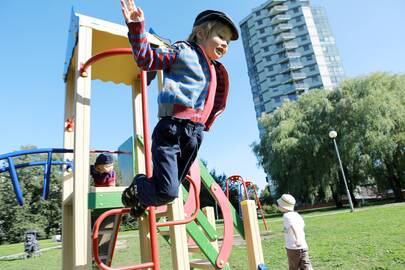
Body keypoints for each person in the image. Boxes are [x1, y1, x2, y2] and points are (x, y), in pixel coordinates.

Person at [120, 0, 239, 217]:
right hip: (172, 129)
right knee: (168, 190)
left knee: (169, 184)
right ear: (201, 33)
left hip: (195, 135)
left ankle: (141, 201)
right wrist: (137, 29)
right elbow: (146, 60)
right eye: (221, 37)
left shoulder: (215, 69)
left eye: (228, 42)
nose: (225, 44)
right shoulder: (182, 51)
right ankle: (138, 186)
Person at [277, 194, 313, 270]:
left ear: (284, 206)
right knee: (306, 266)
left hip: (293, 248)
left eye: (279, 204)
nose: (278, 206)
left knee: (293, 267)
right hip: (303, 246)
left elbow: (294, 227)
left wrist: (297, 239)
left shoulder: (287, 216)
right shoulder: (297, 215)